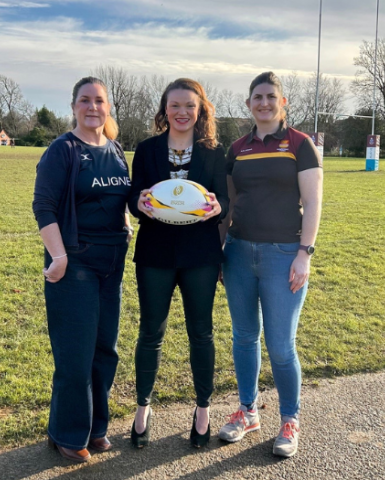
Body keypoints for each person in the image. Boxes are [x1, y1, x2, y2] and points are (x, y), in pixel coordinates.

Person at [218, 72, 323, 458]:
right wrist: (220, 251)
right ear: (249, 104)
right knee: (244, 337)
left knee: (281, 346)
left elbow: (312, 203)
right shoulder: (237, 149)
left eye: (270, 96)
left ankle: (289, 419)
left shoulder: (300, 144)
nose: (263, 103)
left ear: (283, 103)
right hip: (240, 253)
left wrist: (304, 254)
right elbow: (227, 208)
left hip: (284, 256)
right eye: (257, 97)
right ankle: (248, 411)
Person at [33, 76, 132, 463]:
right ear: (73, 106)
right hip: (74, 262)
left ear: (108, 107)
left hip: (113, 262)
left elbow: (118, 195)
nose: (93, 107)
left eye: (100, 101)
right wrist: (58, 257)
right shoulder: (63, 150)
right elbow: (44, 206)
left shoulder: (116, 149)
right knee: (75, 353)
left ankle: (95, 428)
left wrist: (125, 219)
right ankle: (67, 433)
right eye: (85, 100)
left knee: (105, 350)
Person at [128, 78, 228, 449]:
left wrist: (219, 209)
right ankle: (142, 409)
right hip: (155, 252)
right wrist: (137, 203)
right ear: (164, 110)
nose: (182, 112)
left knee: (201, 332)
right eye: (175, 105)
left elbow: (224, 203)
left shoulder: (215, 152)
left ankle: (202, 409)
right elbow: (133, 196)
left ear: (200, 109)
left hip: (200, 254)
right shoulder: (147, 149)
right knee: (150, 332)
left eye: (190, 105)